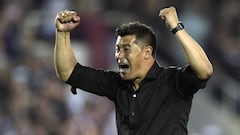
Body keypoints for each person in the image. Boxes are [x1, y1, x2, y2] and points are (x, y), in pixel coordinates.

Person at [54, 6, 213, 135]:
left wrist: (176, 28)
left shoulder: (173, 81)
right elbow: (68, 72)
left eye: (126, 49)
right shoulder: (116, 84)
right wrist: (62, 33)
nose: (119, 55)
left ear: (147, 52)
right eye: (117, 49)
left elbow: (205, 70)